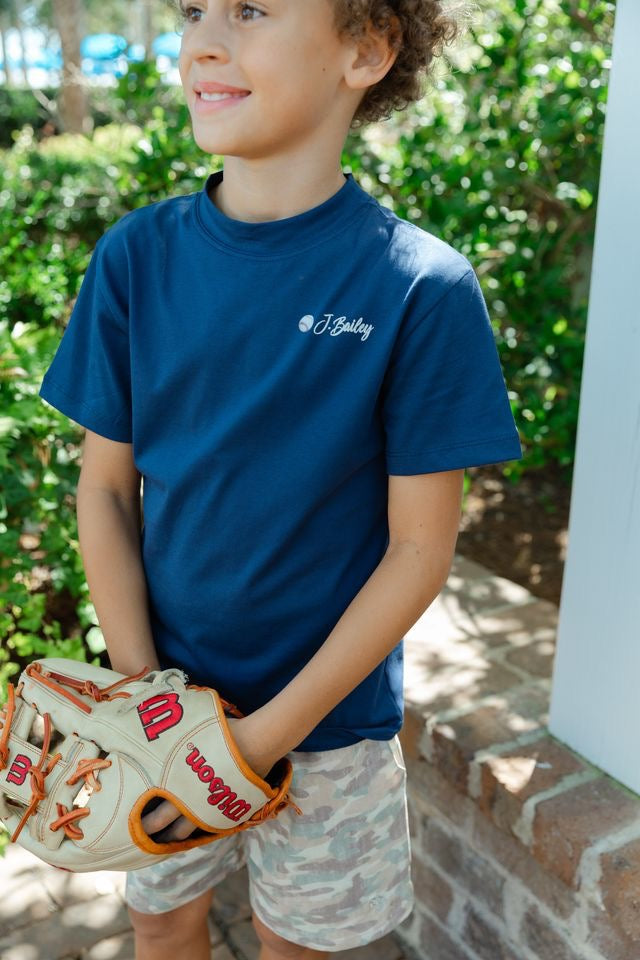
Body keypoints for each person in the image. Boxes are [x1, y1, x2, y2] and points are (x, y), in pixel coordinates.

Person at [39, 1, 522, 958]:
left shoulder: (419, 286)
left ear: (368, 50)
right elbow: (103, 490)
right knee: (161, 924)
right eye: (193, 11)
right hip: (161, 715)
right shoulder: (137, 258)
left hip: (330, 736)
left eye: (251, 9)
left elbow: (421, 548)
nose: (204, 41)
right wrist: (149, 705)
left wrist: (256, 746)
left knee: (297, 946)